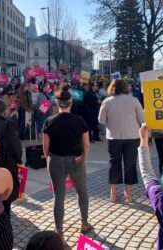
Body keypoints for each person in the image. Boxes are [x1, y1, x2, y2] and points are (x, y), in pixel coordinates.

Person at [42, 86, 91, 241]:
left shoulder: (49, 121)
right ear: (70, 102)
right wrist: (84, 158)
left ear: (57, 103)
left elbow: (45, 147)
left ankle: (59, 231)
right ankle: (84, 222)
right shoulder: (80, 120)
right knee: (82, 191)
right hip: (76, 160)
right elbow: (87, 145)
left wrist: (48, 160)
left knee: (59, 196)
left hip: (55, 159)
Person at [98, 79, 145, 203]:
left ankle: (113, 193)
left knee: (114, 164)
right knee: (130, 164)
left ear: (111, 88)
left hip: (114, 137)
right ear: (126, 88)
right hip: (132, 136)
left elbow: (101, 120)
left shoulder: (106, 102)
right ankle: (128, 194)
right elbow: (142, 118)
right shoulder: (134, 100)